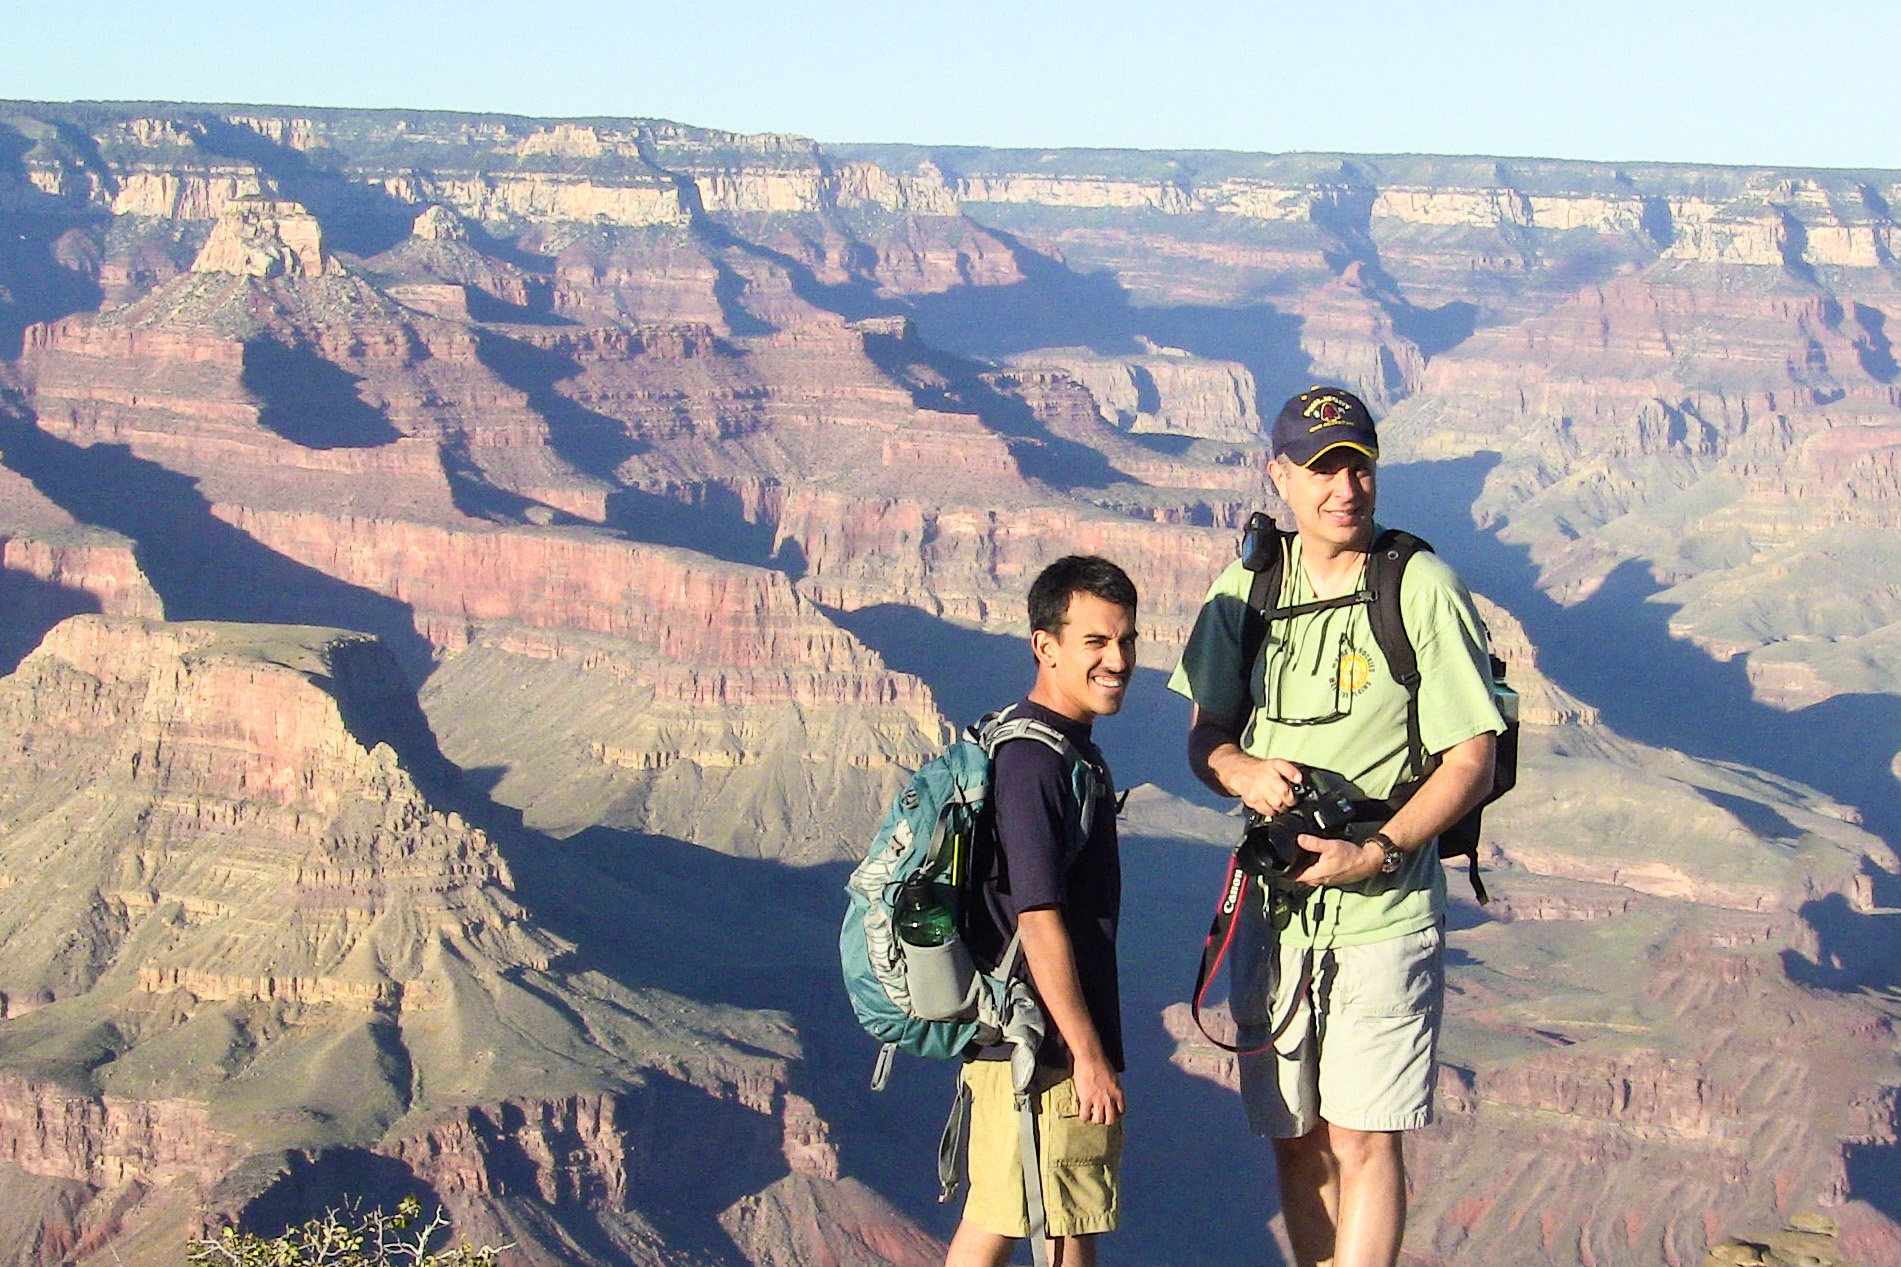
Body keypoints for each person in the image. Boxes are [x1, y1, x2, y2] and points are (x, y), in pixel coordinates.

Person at [1169, 386, 1503, 1267]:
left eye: (1357, 462)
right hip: (1275, 917)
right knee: (1293, 1137)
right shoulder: (1247, 587)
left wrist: (1379, 849)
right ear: (1278, 475)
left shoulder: (1418, 586)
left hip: (1384, 912)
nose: (1343, 486)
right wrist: (1240, 769)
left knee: (1364, 1138)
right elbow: (1202, 737)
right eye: (1320, 468)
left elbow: (1472, 757)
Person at [948, 555, 1138, 1267]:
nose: (1116, 659)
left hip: (1017, 1044)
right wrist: (1086, 1054)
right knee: (1066, 1230)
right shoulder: (1035, 762)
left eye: (1125, 640)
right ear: (1044, 646)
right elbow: (1037, 916)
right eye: (1095, 642)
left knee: (1000, 1220)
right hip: (1044, 1051)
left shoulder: (1059, 749)